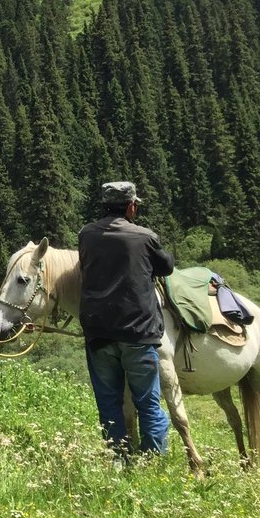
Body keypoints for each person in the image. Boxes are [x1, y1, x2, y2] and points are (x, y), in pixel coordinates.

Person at [78, 181, 175, 458]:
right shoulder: (144, 236)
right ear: (131, 206)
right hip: (139, 333)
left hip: (99, 334)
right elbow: (166, 267)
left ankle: (119, 460)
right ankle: (153, 463)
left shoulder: (86, 234)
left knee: (109, 405)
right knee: (148, 404)